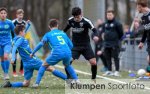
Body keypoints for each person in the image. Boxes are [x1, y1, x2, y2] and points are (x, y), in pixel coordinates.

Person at [1, 25, 68, 88]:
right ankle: (70, 81)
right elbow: (15, 47)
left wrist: (28, 26)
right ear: (21, 32)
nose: (25, 32)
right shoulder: (21, 39)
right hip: (33, 60)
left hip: (26, 64)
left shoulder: (15, 39)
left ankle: (10, 85)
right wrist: (13, 58)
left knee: (26, 83)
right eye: (24, 31)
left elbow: (18, 40)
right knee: (51, 68)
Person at [31, 19, 78, 87]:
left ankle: (36, 83)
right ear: (57, 25)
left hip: (57, 53)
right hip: (67, 52)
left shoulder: (48, 34)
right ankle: (77, 80)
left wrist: (33, 52)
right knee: (67, 65)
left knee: (44, 65)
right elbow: (71, 45)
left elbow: (41, 44)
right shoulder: (63, 33)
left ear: (49, 26)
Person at [64, 7, 99, 80]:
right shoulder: (70, 20)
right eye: (74, 17)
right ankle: (70, 78)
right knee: (68, 62)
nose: (76, 19)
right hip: (75, 45)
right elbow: (65, 29)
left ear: (81, 14)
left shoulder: (87, 21)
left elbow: (95, 30)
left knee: (93, 62)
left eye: (77, 17)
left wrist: (95, 36)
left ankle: (93, 79)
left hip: (86, 45)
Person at [102, 9, 123, 76]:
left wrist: (116, 40)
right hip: (106, 43)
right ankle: (109, 70)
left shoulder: (117, 23)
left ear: (113, 15)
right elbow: (103, 32)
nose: (109, 16)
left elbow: (121, 34)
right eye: (107, 15)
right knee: (107, 57)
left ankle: (117, 71)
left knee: (115, 57)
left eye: (110, 15)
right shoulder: (105, 24)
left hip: (114, 43)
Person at [12, 9, 30, 77]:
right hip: (16, 40)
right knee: (15, 56)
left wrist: (28, 25)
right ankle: (14, 71)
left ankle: (21, 70)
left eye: (22, 15)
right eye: (19, 14)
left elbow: (24, 31)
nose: (20, 16)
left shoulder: (24, 22)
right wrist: (12, 39)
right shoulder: (13, 22)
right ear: (17, 15)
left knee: (23, 55)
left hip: (22, 40)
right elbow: (11, 30)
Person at [0, 7, 15, 80]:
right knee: (2, 59)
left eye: (4, 13)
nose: (3, 14)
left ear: (6, 14)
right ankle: (5, 73)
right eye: (1, 13)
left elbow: (14, 32)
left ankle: (6, 72)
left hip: (8, 42)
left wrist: (15, 39)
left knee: (6, 56)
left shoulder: (9, 22)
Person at [137, 0, 150, 73]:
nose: (137, 9)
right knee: (149, 59)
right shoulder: (143, 18)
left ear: (140, 7)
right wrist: (142, 42)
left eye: (137, 8)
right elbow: (146, 31)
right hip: (149, 40)